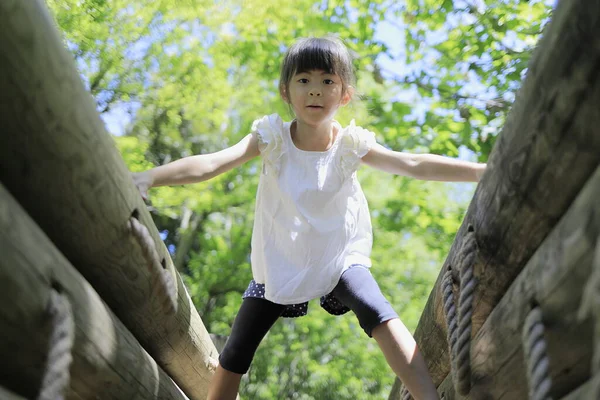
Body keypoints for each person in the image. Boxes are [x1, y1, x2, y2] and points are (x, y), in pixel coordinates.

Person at [132, 36, 486, 400]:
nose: (315, 91)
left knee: (378, 311)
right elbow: (212, 163)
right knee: (237, 349)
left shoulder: (350, 144)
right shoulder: (271, 139)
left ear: (344, 94)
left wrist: (479, 171)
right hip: (282, 260)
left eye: (327, 81)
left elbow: (411, 163)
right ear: (285, 91)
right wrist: (150, 177)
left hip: (339, 256)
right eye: (304, 81)